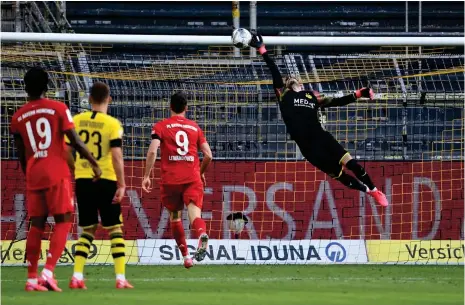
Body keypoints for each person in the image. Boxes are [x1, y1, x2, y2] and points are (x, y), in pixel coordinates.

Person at [248, 33, 388, 207]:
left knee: (352, 164)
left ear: (301, 83)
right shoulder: (283, 95)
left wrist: (359, 94)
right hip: (308, 148)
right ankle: (367, 191)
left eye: (295, 78)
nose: (290, 78)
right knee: (342, 177)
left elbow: (336, 101)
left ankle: (375, 191)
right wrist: (262, 50)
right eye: (287, 79)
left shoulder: (312, 96)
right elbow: (274, 72)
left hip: (322, 138)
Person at [10, 67, 101, 292]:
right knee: (63, 220)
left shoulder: (17, 117)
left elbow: (21, 154)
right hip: (56, 171)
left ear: (24, 88)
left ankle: (32, 279)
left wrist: (28, 173)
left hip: (33, 172)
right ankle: (48, 272)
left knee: (36, 225)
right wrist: (93, 162)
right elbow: (76, 141)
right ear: (47, 87)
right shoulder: (59, 108)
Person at [67, 82, 133, 289]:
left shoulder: (77, 120)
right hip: (106, 180)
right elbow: (116, 155)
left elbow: (66, 150)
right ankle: (120, 278)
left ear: (89, 99)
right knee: (115, 229)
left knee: (87, 229)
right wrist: (122, 184)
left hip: (83, 180)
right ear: (109, 99)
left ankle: (77, 275)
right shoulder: (112, 124)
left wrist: (76, 169)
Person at [142, 91, 213, 268]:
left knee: (175, 218)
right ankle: (202, 234)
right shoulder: (195, 127)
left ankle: (186, 257)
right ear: (186, 108)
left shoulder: (161, 126)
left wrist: (146, 175)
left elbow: (152, 151)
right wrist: (201, 172)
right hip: (192, 177)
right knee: (195, 214)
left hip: (171, 180)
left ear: (170, 107)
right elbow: (208, 155)